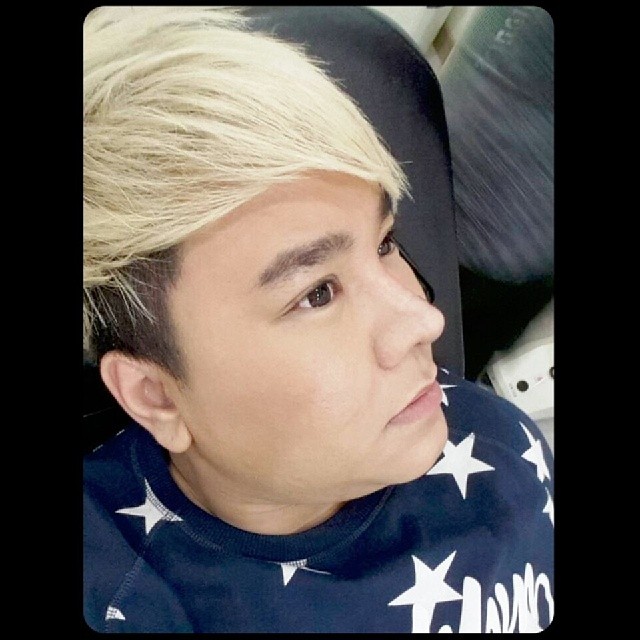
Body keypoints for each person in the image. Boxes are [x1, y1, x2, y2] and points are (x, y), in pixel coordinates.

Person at [83, 7, 554, 633]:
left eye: (385, 243)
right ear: (156, 395)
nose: (424, 320)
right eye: (317, 294)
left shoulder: (498, 444)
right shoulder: (126, 600)